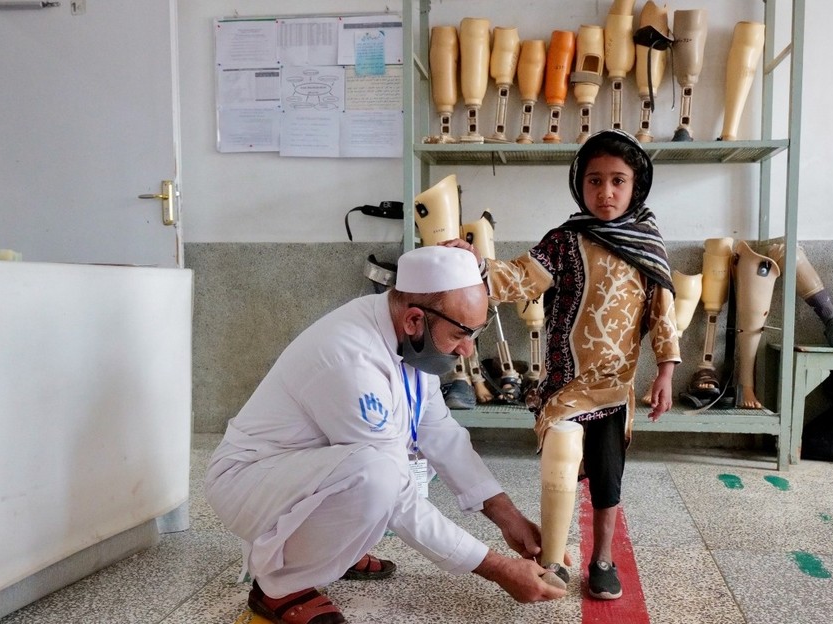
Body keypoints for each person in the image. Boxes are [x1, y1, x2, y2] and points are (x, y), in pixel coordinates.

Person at [204, 246, 565, 624]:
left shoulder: (414, 338)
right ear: (413, 320)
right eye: (461, 334)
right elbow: (398, 498)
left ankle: (334, 546)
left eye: (476, 333)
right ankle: (279, 588)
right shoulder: (350, 357)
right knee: (377, 475)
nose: (467, 349)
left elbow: (439, 431)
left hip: (300, 474)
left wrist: (508, 517)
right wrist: (497, 568)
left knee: (377, 471)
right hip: (248, 482)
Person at [446, 129, 680, 601]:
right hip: (565, 385)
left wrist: (666, 371)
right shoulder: (564, 241)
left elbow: (663, 312)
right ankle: (553, 557)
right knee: (559, 459)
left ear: (637, 186)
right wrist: (476, 265)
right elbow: (518, 275)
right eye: (595, 180)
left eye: (618, 180)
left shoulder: (648, 245)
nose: (606, 191)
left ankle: (602, 558)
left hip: (615, 388)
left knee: (608, 477)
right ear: (580, 184)